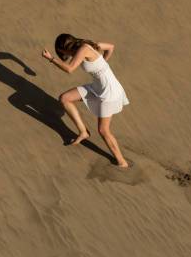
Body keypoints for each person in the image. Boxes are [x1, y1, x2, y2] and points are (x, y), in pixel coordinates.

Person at [42, 34, 130, 167]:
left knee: (103, 131)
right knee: (65, 98)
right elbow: (111, 47)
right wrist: (102, 66)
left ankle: (122, 162)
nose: (63, 56)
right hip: (97, 87)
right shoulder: (90, 45)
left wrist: (51, 59)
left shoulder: (83, 49)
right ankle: (83, 132)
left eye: (61, 52)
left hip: (109, 91)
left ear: (65, 48)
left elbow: (70, 69)